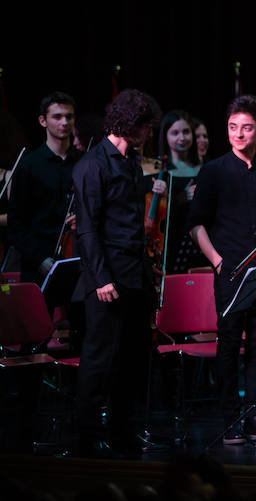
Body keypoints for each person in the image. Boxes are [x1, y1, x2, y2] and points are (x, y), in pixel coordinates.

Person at [187, 95, 256, 444]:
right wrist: (217, 261)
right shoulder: (214, 171)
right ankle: (230, 418)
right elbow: (197, 225)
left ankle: (254, 418)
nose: (239, 134)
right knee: (230, 344)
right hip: (229, 270)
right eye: (233, 128)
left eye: (246, 128)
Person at [72, 89, 161, 457]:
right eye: (145, 127)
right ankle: (86, 435)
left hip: (135, 274)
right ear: (130, 124)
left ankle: (121, 430)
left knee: (132, 359)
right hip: (107, 278)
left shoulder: (131, 162)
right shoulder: (93, 165)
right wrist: (102, 277)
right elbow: (88, 229)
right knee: (99, 358)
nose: (149, 134)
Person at [7, 91, 81, 284]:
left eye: (69, 116)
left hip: (79, 260)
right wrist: (40, 259)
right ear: (43, 121)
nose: (64, 122)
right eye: (57, 117)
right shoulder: (28, 166)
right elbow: (16, 225)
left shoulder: (85, 163)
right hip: (38, 265)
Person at [156, 110, 204, 274]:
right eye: (175, 133)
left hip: (199, 242)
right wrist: (180, 198)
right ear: (166, 136)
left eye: (186, 132)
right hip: (172, 242)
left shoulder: (203, 168)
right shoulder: (160, 170)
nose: (181, 138)